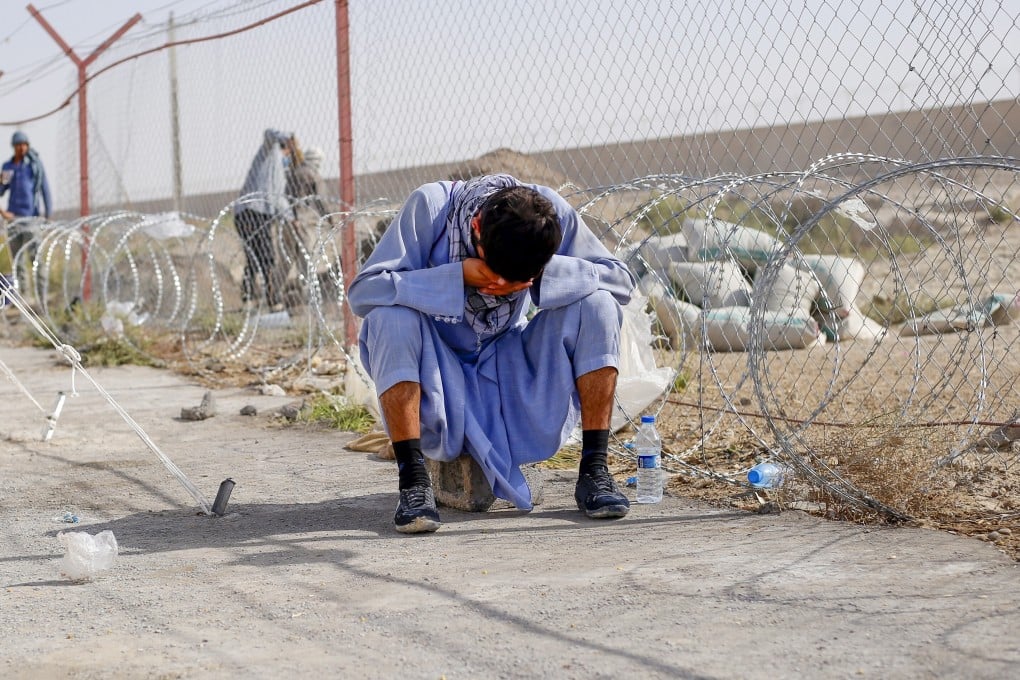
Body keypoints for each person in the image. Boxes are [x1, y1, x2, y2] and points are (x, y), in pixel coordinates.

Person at [348, 174, 636, 533]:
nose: (499, 289)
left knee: (599, 306)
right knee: (389, 318)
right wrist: (456, 277)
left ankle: (595, 470)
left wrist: (548, 272)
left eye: (512, 284)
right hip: (438, 376)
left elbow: (621, 281)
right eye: (493, 276)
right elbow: (363, 294)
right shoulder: (433, 208)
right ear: (475, 229)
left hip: (508, 373)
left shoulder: (547, 214)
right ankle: (413, 483)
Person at [235, 128, 293, 310]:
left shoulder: (279, 175)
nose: (288, 159)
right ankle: (273, 300)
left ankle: (248, 298)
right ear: (283, 149)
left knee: (254, 258)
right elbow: (268, 134)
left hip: (252, 213)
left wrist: (290, 217)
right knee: (266, 257)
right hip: (252, 212)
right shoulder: (269, 153)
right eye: (288, 154)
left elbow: (279, 198)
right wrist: (284, 136)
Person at [0, 131, 52, 286]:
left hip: (30, 218)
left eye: (24, 145)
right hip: (13, 219)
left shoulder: (33, 166)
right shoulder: (9, 167)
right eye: (18, 145)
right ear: (14, 147)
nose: (21, 148)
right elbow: (2, 189)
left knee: (36, 259)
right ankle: (24, 299)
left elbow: (45, 190)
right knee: (18, 261)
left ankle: (41, 298)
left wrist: (48, 214)